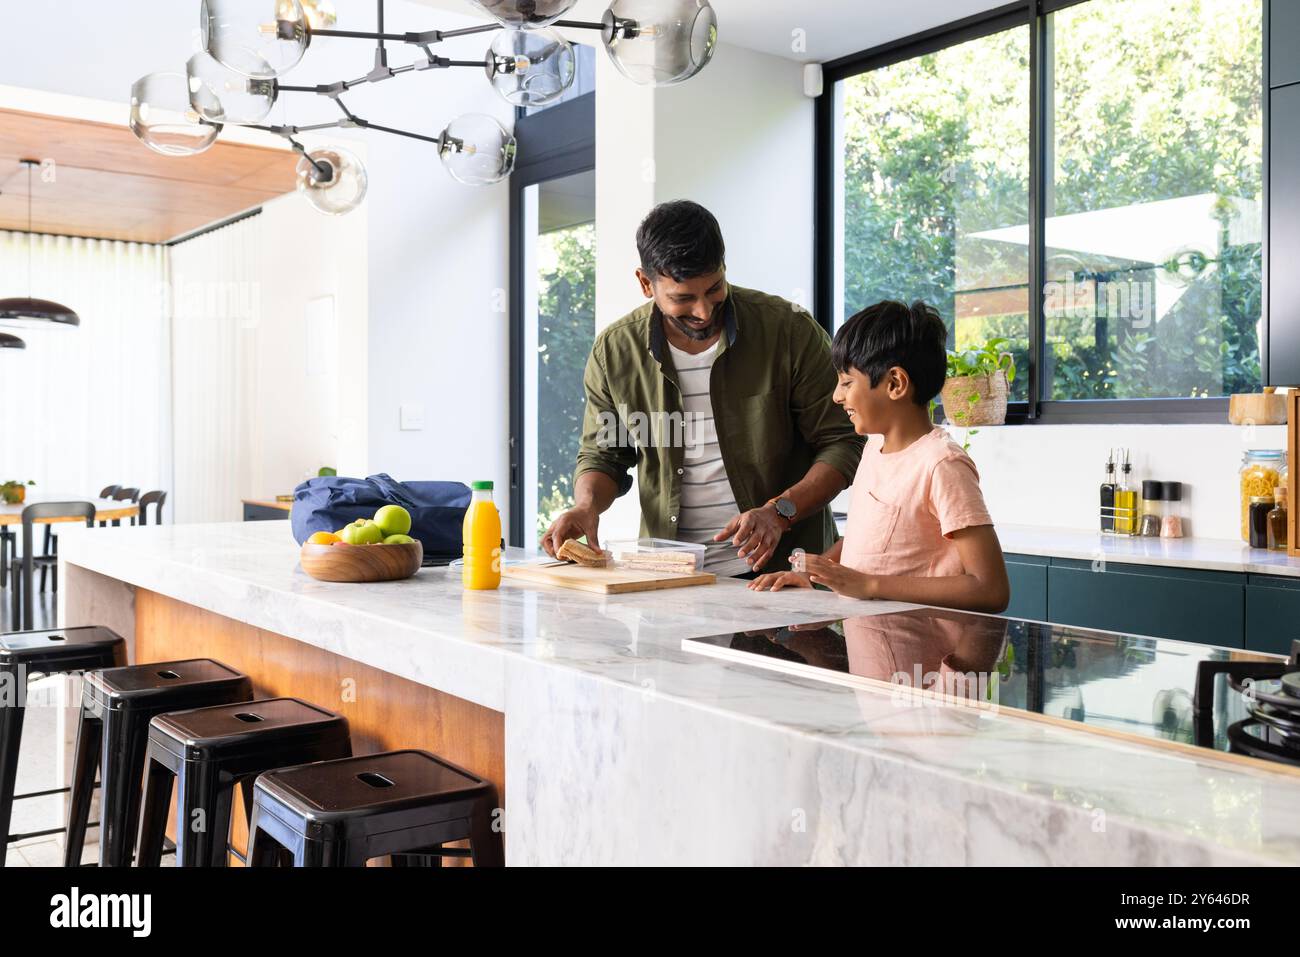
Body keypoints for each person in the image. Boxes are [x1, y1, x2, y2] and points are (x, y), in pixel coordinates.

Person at [541, 200, 863, 576]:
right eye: (683, 298)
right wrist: (586, 507)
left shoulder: (788, 331)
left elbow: (843, 441)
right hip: (667, 576)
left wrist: (780, 512)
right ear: (646, 284)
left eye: (714, 289)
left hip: (786, 575)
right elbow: (604, 455)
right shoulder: (615, 352)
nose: (704, 311)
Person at [749, 299, 1009, 613]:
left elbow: (990, 588)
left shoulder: (942, 464)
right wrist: (811, 572)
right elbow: (868, 540)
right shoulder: (874, 447)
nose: (836, 396)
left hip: (918, 651)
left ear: (896, 384)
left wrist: (868, 584)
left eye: (847, 382)